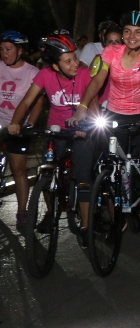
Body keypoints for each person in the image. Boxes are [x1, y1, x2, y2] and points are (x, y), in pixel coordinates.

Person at [69, 11, 140, 243]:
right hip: (114, 114)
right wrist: (82, 106)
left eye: (138, 32)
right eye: (127, 31)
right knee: (111, 168)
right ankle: (116, 221)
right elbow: (97, 80)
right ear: (122, 34)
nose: (132, 36)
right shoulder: (111, 52)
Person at [8, 34, 95, 243]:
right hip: (56, 130)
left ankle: (86, 228)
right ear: (55, 66)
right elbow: (27, 100)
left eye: (74, 58)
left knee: (83, 178)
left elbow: (94, 105)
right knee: (46, 173)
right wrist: (15, 122)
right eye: (68, 61)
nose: (75, 63)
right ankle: (50, 210)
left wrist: (87, 126)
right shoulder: (45, 75)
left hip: (82, 130)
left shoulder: (84, 74)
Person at [0, 30, 42, 229]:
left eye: (8, 49)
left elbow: (38, 102)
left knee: (18, 169)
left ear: (20, 51)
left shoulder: (32, 72)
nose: (4, 53)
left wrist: (30, 124)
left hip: (17, 128)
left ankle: (22, 211)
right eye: (1, 49)